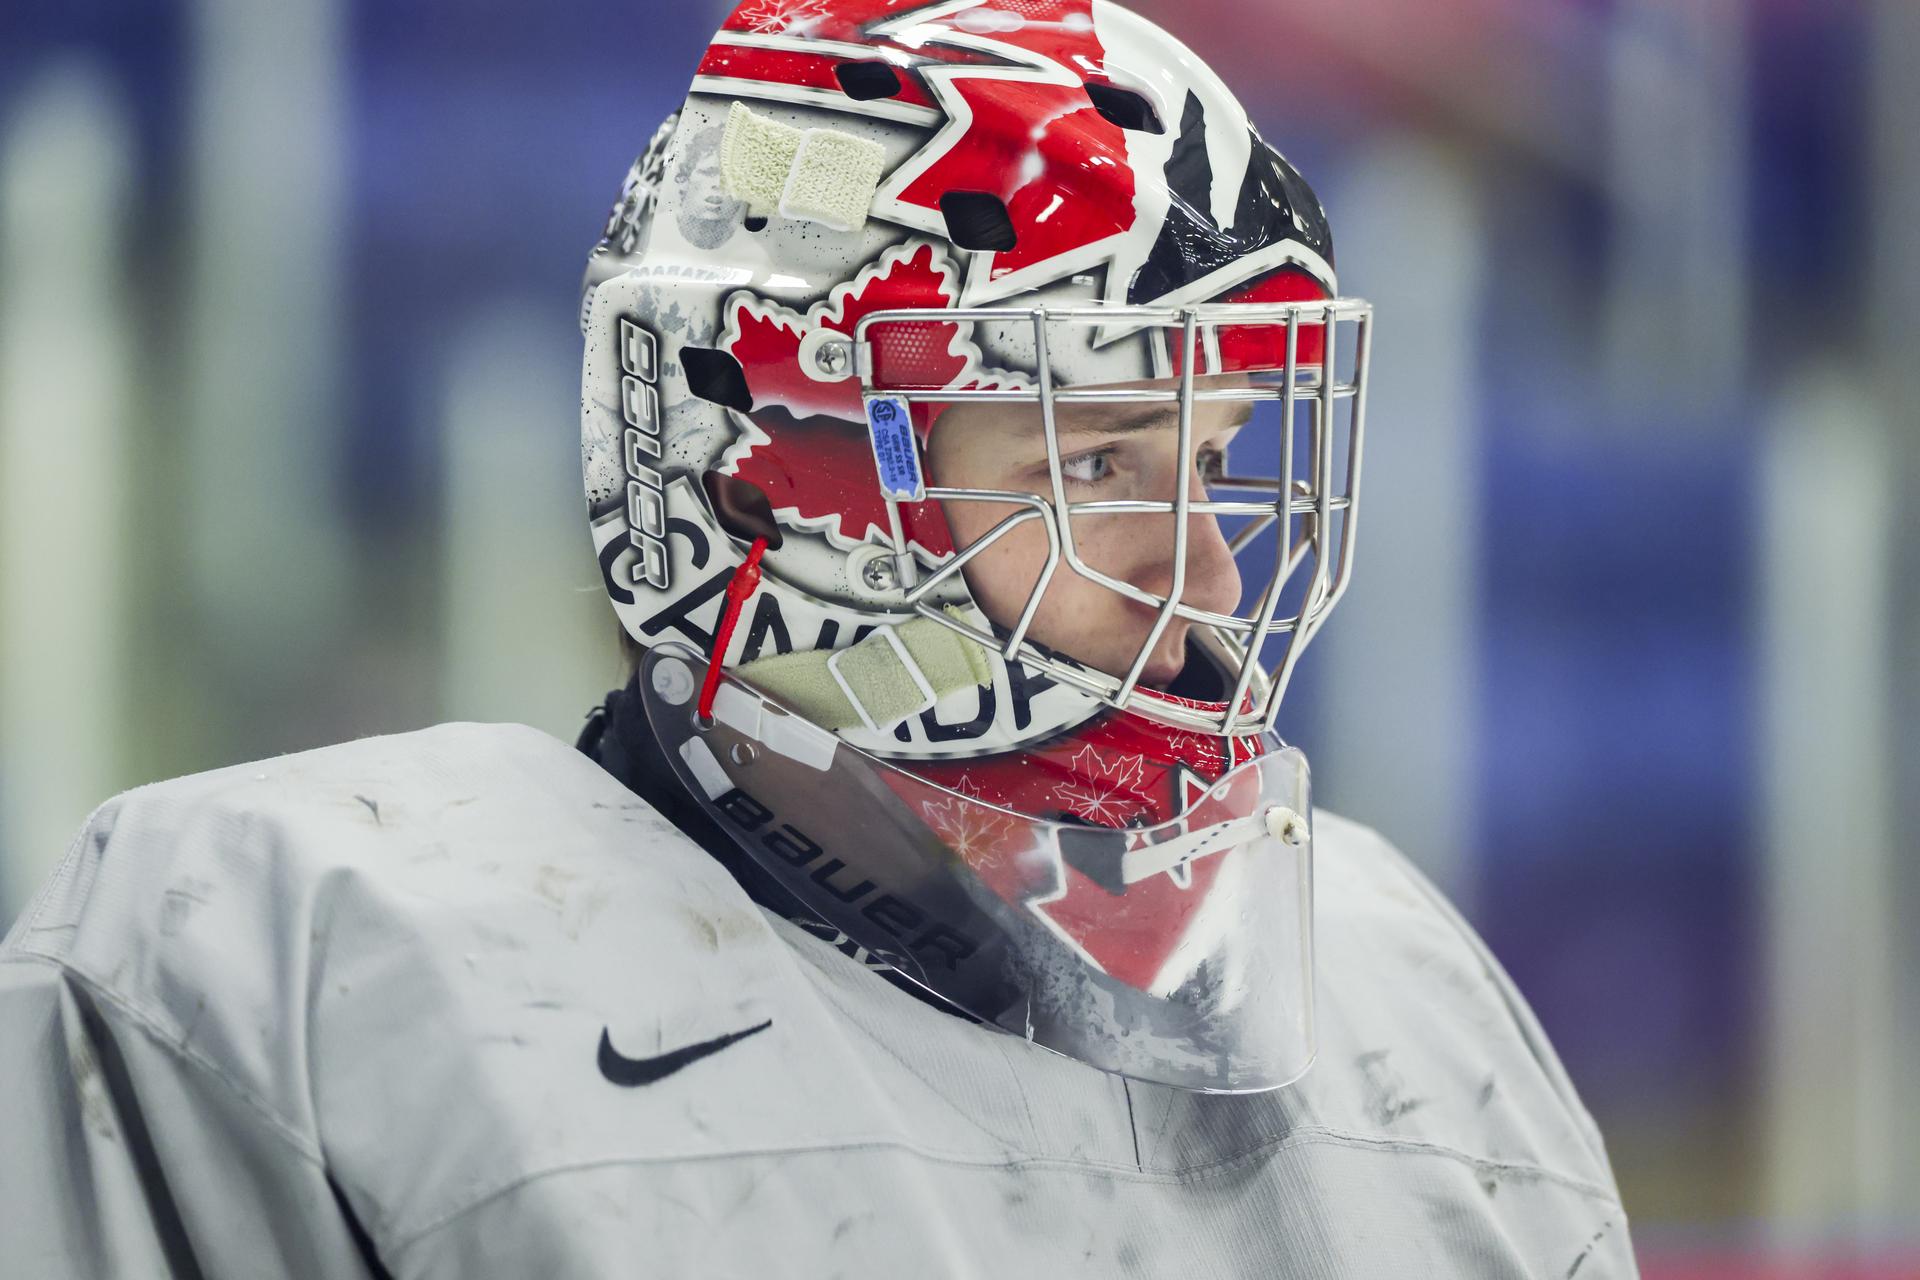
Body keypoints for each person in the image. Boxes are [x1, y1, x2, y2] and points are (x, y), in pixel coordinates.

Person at [0, 1, 1638, 1274]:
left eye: (1210, 461)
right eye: (1096, 461)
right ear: (781, 482)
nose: (1205, 575)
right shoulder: (292, 961)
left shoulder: (1407, 1006)